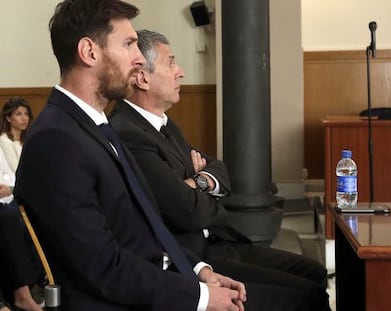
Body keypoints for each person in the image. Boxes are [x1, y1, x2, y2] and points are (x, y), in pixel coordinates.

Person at [14, 1, 314, 311]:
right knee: (304, 303)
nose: (139, 58)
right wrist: (202, 297)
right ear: (89, 52)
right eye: (129, 44)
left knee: (306, 297)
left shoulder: (94, 126)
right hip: (129, 301)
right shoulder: (57, 140)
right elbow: (102, 266)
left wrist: (200, 270)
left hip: (168, 279)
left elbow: (148, 228)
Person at [109, 30, 331, 310]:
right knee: (310, 297)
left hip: (219, 239)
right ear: (142, 78)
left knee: (316, 273)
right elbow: (186, 211)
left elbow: (219, 169)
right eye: (171, 63)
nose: (180, 72)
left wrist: (195, 182)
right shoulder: (129, 132)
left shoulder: (163, 123)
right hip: (195, 257)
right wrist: (200, 186)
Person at [0, 147, 43, 311]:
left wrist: (8, 188)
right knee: (8, 219)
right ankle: (22, 296)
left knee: (34, 212)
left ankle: (38, 285)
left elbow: (9, 175)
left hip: (7, 199)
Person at [0, 97, 33, 173]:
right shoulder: (5, 140)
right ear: (8, 118)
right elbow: (16, 169)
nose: (24, 118)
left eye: (26, 114)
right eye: (18, 114)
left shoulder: (28, 139)